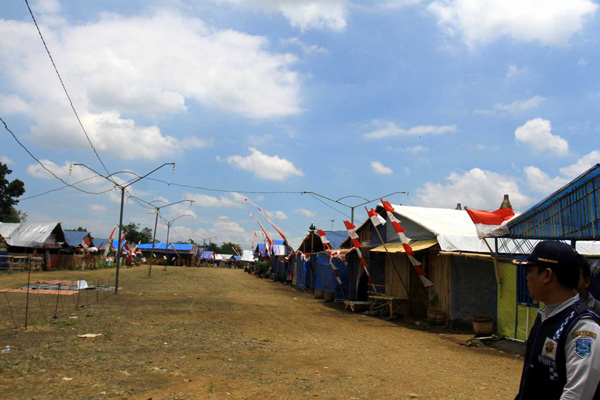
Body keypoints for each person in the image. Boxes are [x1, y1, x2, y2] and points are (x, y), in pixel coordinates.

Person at [515, 241, 600, 400]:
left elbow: (577, 395)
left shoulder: (582, 328)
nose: (527, 278)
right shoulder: (545, 316)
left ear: (547, 275)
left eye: (531, 270)